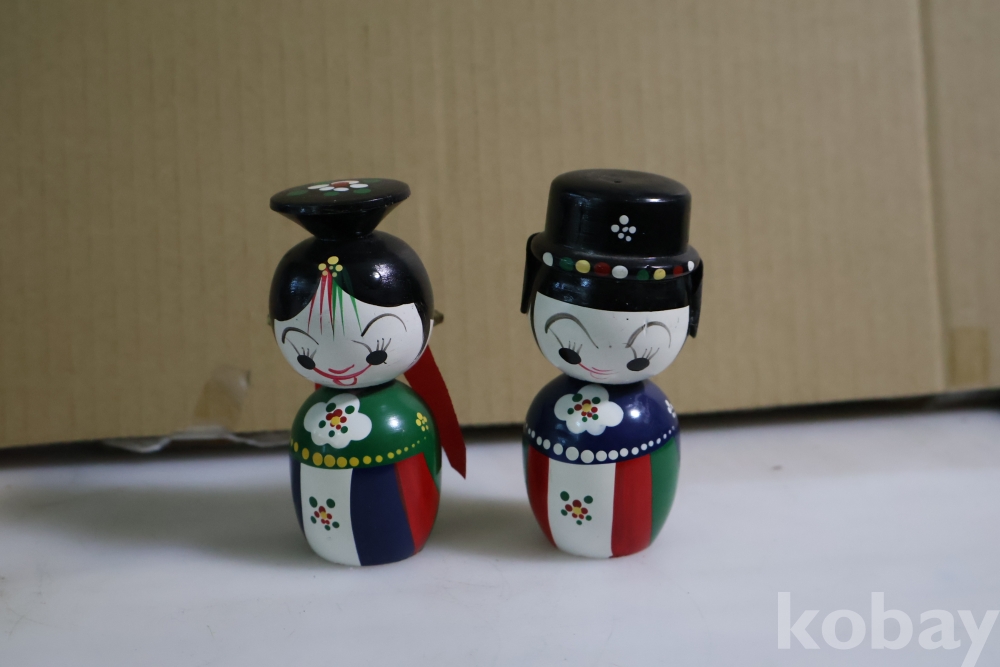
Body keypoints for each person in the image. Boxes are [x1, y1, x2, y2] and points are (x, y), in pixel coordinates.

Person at [269, 178, 464, 566]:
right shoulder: (317, 417)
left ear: (427, 321)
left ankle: (391, 540)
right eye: (306, 353)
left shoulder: (403, 415)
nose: (339, 366)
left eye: (376, 351)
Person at [520, 169, 703, 558]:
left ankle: (626, 536)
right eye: (570, 349)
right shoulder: (551, 409)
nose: (599, 363)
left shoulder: (649, 413)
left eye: (640, 356)